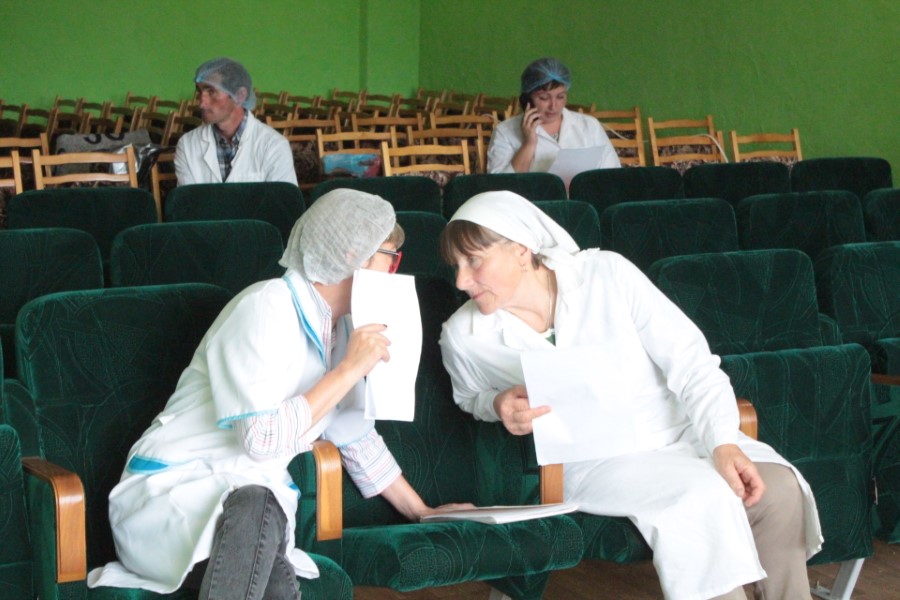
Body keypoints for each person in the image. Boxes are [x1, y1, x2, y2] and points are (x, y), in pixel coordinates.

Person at [437, 191, 823, 600]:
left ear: (520, 250)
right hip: (597, 461)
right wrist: (496, 405)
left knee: (779, 488)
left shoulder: (607, 275)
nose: (461, 281)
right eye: (456, 266)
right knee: (702, 498)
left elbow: (692, 363)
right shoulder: (463, 335)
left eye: (473, 260)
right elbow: (469, 397)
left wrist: (722, 442)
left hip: (680, 434)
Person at [88, 189, 464, 599]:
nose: (393, 272)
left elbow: (356, 438)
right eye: (389, 258)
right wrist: (348, 370)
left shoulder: (341, 330)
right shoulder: (265, 305)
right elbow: (261, 439)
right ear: (353, 255)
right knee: (259, 510)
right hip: (169, 500)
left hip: (249, 521)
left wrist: (422, 511)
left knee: (275, 573)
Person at [175, 57, 298, 186]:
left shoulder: (273, 145)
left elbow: (283, 198)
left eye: (212, 92)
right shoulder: (187, 145)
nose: (201, 103)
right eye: (199, 92)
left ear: (240, 96)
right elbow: (189, 198)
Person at [486, 57, 621, 174]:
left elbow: (612, 174)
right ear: (527, 99)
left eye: (560, 97)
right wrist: (529, 144)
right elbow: (500, 187)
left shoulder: (590, 126)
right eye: (544, 98)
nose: (553, 106)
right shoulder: (505, 132)